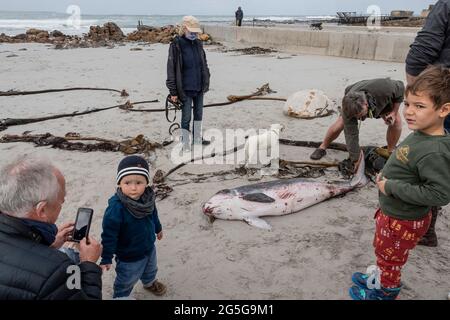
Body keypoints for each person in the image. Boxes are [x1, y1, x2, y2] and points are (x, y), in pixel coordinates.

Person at [349, 65, 450, 300]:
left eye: (419, 106)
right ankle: (380, 278)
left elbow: (439, 194)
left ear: (444, 109)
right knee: (383, 251)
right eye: (407, 104)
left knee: (390, 258)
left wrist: (390, 186)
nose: (409, 112)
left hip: (404, 219)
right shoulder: (422, 132)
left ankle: (386, 291)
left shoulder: (435, 151)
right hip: (394, 213)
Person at [0, 156, 103, 300]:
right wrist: (89, 264)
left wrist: (49, 246)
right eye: (61, 201)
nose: (62, 203)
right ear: (41, 210)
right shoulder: (58, 269)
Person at [405, 0, 450, 246]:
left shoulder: (445, 5)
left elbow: (422, 50)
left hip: (442, 94)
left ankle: (423, 227)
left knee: (429, 156)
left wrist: (416, 97)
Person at [100, 155, 166, 299]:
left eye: (139, 182)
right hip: (129, 256)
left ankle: (149, 283)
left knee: (151, 269)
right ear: (119, 183)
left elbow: (153, 213)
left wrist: (158, 228)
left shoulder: (148, 198)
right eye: (127, 182)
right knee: (126, 280)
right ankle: (121, 296)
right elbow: (109, 235)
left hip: (149, 247)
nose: (134, 187)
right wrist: (106, 257)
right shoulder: (116, 208)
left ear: (146, 182)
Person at [310, 78, 405, 168]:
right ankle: (322, 147)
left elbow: (401, 88)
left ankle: (390, 151)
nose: (359, 119)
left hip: (383, 100)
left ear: (366, 104)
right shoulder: (348, 110)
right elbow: (351, 135)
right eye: (356, 117)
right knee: (340, 124)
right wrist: (356, 160)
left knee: (396, 122)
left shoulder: (386, 88)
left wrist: (394, 112)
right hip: (352, 93)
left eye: (360, 115)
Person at [166, 15, 211, 151]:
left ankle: (197, 138)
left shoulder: (198, 43)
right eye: (191, 32)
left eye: (195, 32)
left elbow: (204, 62)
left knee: (199, 115)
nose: (193, 34)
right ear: (184, 29)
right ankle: (185, 142)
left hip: (199, 87)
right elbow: (171, 69)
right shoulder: (176, 44)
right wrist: (173, 92)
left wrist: (207, 78)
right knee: (186, 117)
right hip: (184, 89)